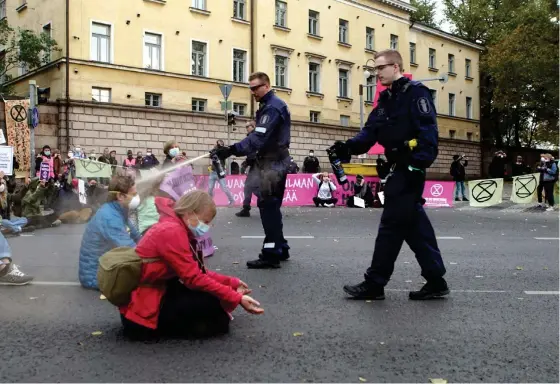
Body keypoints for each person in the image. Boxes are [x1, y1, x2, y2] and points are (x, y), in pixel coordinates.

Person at [329, 49, 448, 300]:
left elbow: (429, 134)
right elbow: (369, 133)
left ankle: (375, 282)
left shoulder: (416, 94)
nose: (377, 73)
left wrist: (417, 165)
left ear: (396, 67)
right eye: (374, 69)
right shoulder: (385, 100)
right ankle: (436, 280)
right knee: (414, 227)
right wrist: (347, 146)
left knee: (391, 227)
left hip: (409, 170)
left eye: (380, 68)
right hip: (396, 168)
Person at [119, 191, 264, 340]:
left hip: (150, 295)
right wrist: (236, 297)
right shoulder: (172, 231)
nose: (207, 227)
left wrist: (232, 283)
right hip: (143, 306)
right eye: (205, 221)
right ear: (189, 213)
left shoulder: (175, 226)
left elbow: (196, 272)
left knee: (212, 308)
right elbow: (193, 278)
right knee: (215, 313)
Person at [214, 71, 291, 269]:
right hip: (273, 161)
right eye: (250, 88)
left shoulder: (272, 107)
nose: (253, 92)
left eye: (256, 88)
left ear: (266, 86)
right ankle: (281, 247)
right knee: (272, 207)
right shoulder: (270, 105)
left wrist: (232, 149)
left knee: (268, 208)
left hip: (272, 163)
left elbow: (258, 139)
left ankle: (271, 253)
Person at [78, 175, 141, 289]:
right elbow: (130, 250)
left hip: (102, 270)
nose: (137, 197)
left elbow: (136, 236)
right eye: (133, 194)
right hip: (96, 277)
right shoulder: (110, 217)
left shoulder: (116, 210)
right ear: (120, 196)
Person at [236, 120, 260, 218]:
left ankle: (268, 202)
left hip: (257, 166)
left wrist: (247, 162)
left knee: (252, 187)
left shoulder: (254, 137)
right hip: (255, 165)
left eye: (248, 126)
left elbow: (254, 153)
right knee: (249, 187)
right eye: (246, 127)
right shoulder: (252, 137)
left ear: (253, 126)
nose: (246, 128)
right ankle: (246, 208)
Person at [208, 139, 235, 206]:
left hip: (220, 173)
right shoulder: (214, 152)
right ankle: (210, 202)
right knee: (210, 188)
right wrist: (213, 151)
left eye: (218, 144)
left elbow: (225, 152)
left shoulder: (223, 153)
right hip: (213, 173)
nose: (216, 145)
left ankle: (232, 201)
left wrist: (222, 147)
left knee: (224, 188)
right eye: (217, 143)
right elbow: (210, 156)